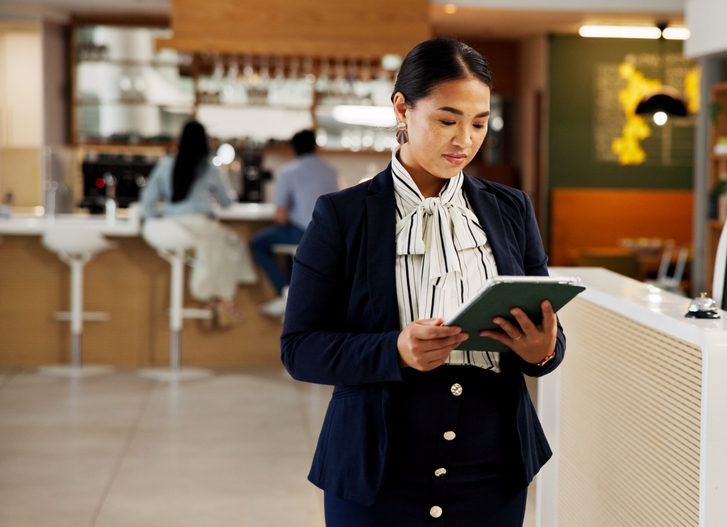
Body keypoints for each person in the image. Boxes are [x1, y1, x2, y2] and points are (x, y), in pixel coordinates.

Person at [281, 38, 565, 526]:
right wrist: (394, 349)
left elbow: (549, 340)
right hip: (377, 465)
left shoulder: (511, 209)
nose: (464, 141)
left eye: (479, 124)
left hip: (492, 468)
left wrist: (542, 349)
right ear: (402, 108)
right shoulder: (342, 216)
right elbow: (300, 348)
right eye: (447, 120)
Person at [140, 120, 257, 325]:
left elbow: (147, 200)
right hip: (200, 225)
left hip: (169, 228)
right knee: (233, 242)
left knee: (218, 246)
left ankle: (216, 299)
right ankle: (219, 298)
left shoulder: (166, 164)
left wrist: (154, 221)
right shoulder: (210, 167)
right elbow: (227, 201)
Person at [252, 129, 341, 317]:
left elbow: (280, 216)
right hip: (331, 236)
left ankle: (285, 292)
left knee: (259, 243)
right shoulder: (332, 170)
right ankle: (294, 295)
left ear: (292, 150)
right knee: (293, 250)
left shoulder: (288, 171)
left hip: (303, 233)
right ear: (317, 149)